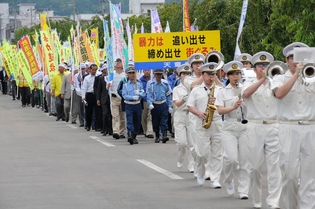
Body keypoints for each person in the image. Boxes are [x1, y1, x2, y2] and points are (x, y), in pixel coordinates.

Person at [271, 42, 315, 209]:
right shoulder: (278, 78)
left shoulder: (313, 76)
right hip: (288, 128)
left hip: (311, 127)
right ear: (286, 60)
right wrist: (296, 75)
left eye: (300, 58)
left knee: (309, 176)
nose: (296, 61)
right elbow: (280, 94)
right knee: (289, 174)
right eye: (292, 58)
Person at [242, 52, 281, 209]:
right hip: (255, 126)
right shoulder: (248, 82)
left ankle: (273, 201)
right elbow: (246, 94)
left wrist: (270, 79)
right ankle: (257, 199)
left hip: (273, 125)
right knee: (255, 167)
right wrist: (262, 80)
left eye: (266, 66)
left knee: (274, 167)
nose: (263, 68)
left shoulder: (276, 82)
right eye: (260, 66)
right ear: (254, 68)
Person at [215, 61, 250, 199]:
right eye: (233, 74)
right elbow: (220, 110)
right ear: (227, 76)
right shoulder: (222, 91)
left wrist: (244, 105)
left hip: (244, 126)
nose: (236, 77)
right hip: (229, 126)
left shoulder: (246, 89)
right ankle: (229, 180)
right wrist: (233, 107)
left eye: (238, 73)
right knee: (231, 159)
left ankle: (243, 190)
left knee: (245, 160)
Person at [187, 62, 223, 188]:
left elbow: (225, 105)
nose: (211, 77)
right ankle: (201, 172)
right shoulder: (196, 90)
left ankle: (215, 179)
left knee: (217, 153)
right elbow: (190, 106)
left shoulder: (220, 90)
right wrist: (199, 113)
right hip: (202, 123)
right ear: (202, 75)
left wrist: (217, 102)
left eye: (213, 74)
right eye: (208, 74)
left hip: (217, 123)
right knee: (201, 153)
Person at [172, 64, 194, 172]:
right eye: (184, 74)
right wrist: (185, 98)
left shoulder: (194, 87)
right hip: (180, 115)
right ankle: (180, 158)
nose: (186, 76)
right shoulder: (177, 89)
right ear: (180, 75)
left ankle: (192, 166)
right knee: (182, 143)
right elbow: (177, 104)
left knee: (192, 143)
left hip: (191, 115)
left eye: (188, 74)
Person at [147, 69, 172, 143]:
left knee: (164, 120)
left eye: (160, 74)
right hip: (155, 104)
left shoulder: (166, 83)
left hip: (163, 103)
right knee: (155, 121)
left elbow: (168, 95)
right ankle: (157, 136)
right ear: (154, 75)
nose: (159, 76)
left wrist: (169, 105)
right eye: (157, 74)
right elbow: (149, 96)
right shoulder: (151, 84)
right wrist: (150, 104)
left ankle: (164, 136)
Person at [122, 66, 145, 145]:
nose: (131, 75)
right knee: (130, 121)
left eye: (133, 73)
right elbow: (124, 95)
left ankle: (134, 136)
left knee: (137, 121)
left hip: (137, 104)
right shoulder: (125, 84)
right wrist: (132, 97)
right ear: (127, 75)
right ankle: (130, 136)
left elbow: (143, 93)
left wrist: (140, 94)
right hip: (129, 104)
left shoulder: (139, 83)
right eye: (130, 73)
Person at [108, 58, 126, 139]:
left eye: (119, 63)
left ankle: (122, 132)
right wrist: (108, 85)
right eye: (117, 63)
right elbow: (107, 85)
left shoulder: (125, 75)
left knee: (122, 116)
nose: (118, 65)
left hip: (122, 98)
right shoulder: (111, 74)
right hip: (114, 98)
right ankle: (116, 131)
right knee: (115, 115)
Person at [96, 64, 113, 136]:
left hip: (112, 98)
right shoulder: (101, 78)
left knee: (111, 115)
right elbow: (99, 89)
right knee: (105, 114)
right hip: (104, 99)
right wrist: (98, 99)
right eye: (105, 69)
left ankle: (111, 129)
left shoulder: (112, 78)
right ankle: (104, 128)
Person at [81, 63, 98, 131]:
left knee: (97, 111)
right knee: (88, 111)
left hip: (96, 95)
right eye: (93, 70)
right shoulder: (87, 78)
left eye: (95, 70)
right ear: (90, 70)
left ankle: (96, 125)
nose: (94, 71)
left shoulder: (98, 77)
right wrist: (83, 96)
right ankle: (88, 125)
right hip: (89, 95)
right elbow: (84, 88)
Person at [139, 69, 154, 138]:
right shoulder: (140, 80)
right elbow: (140, 90)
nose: (147, 72)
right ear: (143, 71)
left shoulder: (153, 79)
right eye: (145, 70)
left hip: (152, 100)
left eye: (148, 70)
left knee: (150, 116)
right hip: (144, 100)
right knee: (144, 116)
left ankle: (150, 132)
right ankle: (145, 130)